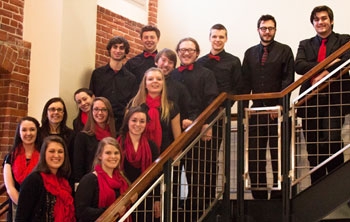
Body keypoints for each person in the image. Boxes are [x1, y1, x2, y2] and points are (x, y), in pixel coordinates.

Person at [295, 5, 350, 184]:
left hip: (335, 100)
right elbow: (299, 66)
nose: (320, 22)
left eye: (324, 18)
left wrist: (325, 73)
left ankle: (336, 186)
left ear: (331, 21)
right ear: (313, 23)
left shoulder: (344, 39)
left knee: (332, 139)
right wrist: (329, 65)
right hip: (310, 100)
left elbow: (347, 58)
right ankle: (316, 186)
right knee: (312, 145)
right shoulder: (305, 44)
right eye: (317, 19)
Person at [241, 14, 294, 199]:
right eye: (264, 28)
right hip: (255, 113)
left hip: (278, 113)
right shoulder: (249, 53)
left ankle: (281, 198)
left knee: (280, 157)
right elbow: (244, 84)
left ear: (275, 30)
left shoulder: (285, 50)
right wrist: (244, 112)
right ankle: (260, 197)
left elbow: (288, 80)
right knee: (255, 158)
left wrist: (279, 105)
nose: (267, 32)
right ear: (258, 30)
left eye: (271, 28)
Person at [171, 37, 219, 220]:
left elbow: (212, 101)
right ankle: (173, 211)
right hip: (175, 132)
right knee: (174, 174)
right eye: (182, 50)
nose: (186, 53)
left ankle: (196, 213)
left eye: (190, 50)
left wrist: (204, 123)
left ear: (197, 53)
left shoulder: (206, 74)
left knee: (196, 175)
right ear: (178, 52)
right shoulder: (173, 75)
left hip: (198, 130)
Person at [15, 136, 75, 221]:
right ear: (44, 154)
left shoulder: (65, 182)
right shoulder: (33, 180)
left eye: (60, 152)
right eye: (52, 151)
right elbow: (21, 217)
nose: (56, 155)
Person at [117, 106, 160, 220]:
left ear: (146, 124)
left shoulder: (152, 147)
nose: (138, 124)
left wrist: (156, 199)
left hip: (146, 196)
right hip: (123, 197)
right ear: (127, 122)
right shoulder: (117, 144)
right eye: (134, 120)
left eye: (142, 121)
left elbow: (155, 175)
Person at [75, 137, 130, 222]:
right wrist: (112, 210)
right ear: (100, 156)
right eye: (108, 153)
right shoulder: (89, 180)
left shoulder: (122, 180)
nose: (113, 156)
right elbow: (82, 212)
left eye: (116, 153)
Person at [128, 67, 181, 153]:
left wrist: (176, 156)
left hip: (164, 156)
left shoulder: (172, 107)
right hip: (137, 154)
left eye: (159, 79)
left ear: (163, 83)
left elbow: (178, 138)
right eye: (150, 79)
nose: (155, 81)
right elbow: (126, 132)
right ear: (145, 84)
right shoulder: (134, 104)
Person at [90, 36, 137, 132]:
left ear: (125, 52)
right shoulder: (97, 74)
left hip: (121, 124)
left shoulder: (131, 78)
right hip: (100, 121)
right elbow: (92, 98)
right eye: (115, 47)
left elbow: (132, 103)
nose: (118, 50)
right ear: (110, 49)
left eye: (121, 48)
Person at [3, 117, 41, 222]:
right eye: (24, 130)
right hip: (17, 207)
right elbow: (10, 188)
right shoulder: (10, 157)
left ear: (37, 131)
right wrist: (24, 206)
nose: (28, 133)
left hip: (39, 209)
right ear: (19, 133)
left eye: (32, 129)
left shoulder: (44, 156)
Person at [73, 97, 117, 184]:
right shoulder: (82, 137)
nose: (100, 113)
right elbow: (78, 166)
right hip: (90, 183)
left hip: (111, 182)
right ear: (91, 112)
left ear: (108, 112)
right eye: (96, 109)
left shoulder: (115, 136)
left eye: (103, 109)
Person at [198, 23, 242, 97]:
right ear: (210, 38)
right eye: (214, 36)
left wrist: (225, 105)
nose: (217, 40)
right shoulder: (199, 62)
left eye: (221, 37)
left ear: (226, 39)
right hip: (202, 107)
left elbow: (237, 87)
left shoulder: (234, 61)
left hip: (224, 106)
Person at [155, 48, 191, 127]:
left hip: (169, 131)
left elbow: (186, 111)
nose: (166, 64)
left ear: (174, 67)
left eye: (170, 62)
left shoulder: (180, 88)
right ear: (156, 62)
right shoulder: (146, 83)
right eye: (163, 60)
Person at [40, 97, 75, 175]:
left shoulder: (71, 135)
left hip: (64, 176)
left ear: (63, 113)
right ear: (46, 113)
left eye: (59, 110)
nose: (56, 112)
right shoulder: (38, 133)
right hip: (42, 176)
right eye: (52, 109)